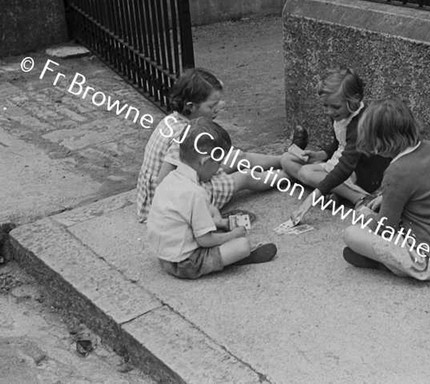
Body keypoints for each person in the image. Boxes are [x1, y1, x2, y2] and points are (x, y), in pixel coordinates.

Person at [342, 98, 430, 281]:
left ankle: (389, 264)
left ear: (382, 140)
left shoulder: (396, 172)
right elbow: (427, 186)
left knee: (351, 233)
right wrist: (386, 197)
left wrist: (367, 218)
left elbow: (385, 228)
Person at [136, 68, 285, 223]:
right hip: (170, 205)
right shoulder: (185, 135)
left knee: (238, 156)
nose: (218, 109)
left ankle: (283, 159)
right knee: (244, 176)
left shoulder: (173, 120)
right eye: (212, 106)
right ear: (191, 106)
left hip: (176, 184)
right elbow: (164, 182)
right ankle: (290, 175)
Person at [147, 122, 277, 279]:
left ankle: (225, 244)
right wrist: (233, 235)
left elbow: (183, 216)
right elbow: (205, 240)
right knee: (242, 246)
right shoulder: (195, 193)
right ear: (205, 161)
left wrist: (220, 223)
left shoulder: (170, 179)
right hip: (185, 263)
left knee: (213, 218)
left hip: (164, 257)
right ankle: (235, 258)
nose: (220, 169)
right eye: (218, 163)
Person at [280, 68, 390, 224]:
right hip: (341, 164)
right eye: (325, 106)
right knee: (286, 160)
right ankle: (336, 192)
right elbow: (338, 143)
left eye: (335, 107)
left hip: (362, 173)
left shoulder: (361, 124)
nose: (329, 112)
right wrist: (320, 155)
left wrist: (310, 199)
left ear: (355, 100)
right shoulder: (341, 114)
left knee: (305, 172)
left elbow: (345, 167)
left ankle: (361, 198)